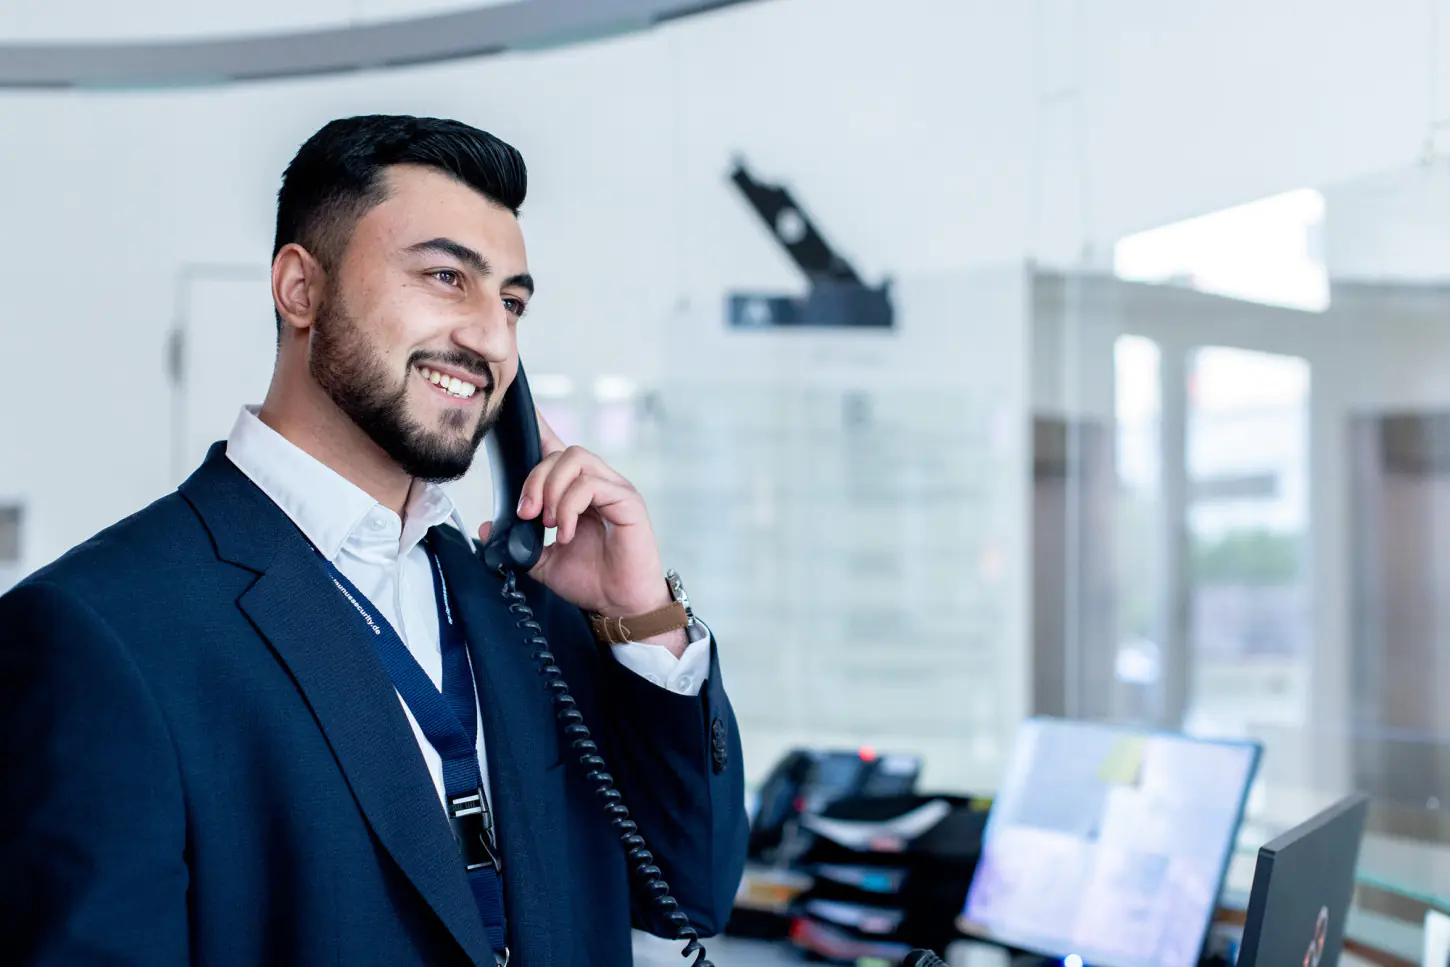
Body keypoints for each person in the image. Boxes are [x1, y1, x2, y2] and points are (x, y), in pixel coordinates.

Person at [0, 114, 747, 966]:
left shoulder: (532, 600)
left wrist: (642, 617)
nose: (494, 339)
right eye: (444, 277)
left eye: (511, 302)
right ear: (299, 289)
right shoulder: (97, 633)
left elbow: (690, 892)